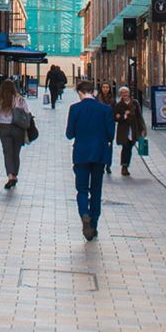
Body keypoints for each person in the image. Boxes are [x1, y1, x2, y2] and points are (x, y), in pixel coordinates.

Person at [65, 79, 115, 240]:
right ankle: (93, 224)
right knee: (96, 190)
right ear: (93, 92)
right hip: (99, 154)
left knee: (81, 189)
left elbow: (69, 134)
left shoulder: (75, 108)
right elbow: (111, 134)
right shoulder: (105, 109)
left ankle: (84, 213)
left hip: (81, 154)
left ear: (80, 92)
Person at [0, 74, 32, 189]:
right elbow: (27, 112)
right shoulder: (20, 99)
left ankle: (10, 176)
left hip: (4, 128)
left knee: (7, 152)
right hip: (18, 128)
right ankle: (15, 174)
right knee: (16, 153)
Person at [113, 85, 147, 176]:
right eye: (122, 93)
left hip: (134, 128)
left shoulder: (135, 103)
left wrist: (143, 128)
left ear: (129, 93)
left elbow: (139, 116)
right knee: (126, 147)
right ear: (120, 94)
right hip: (124, 130)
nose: (125, 94)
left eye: (126, 92)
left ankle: (126, 165)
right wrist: (124, 115)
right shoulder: (118, 105)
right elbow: (116, 118)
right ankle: (124, 166)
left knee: (130, 147)